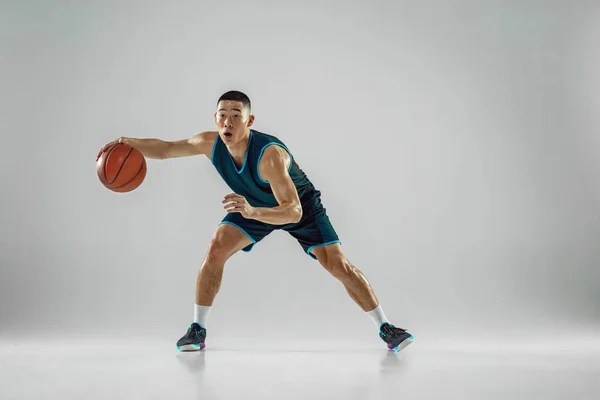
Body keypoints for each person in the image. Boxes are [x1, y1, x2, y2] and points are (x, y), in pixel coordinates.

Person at [97, 90, 414, 352]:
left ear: (249, 121)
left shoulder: (269, 155)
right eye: (223, 114)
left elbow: (292, 212)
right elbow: (166, 149)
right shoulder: (210, 143)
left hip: (298, 207)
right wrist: (128, 142)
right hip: (252, 206)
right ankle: (197, 329)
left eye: (236, 115)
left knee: (337, 266)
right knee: (216, 249)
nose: (228, 120)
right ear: (215, 119)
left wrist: (251, 211)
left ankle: (387, 328)